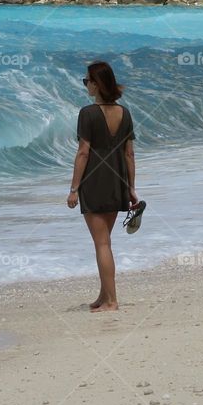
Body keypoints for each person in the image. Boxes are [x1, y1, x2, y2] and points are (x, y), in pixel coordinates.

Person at [66, 61, 138, 312]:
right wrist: (131, 188)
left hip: (94, 183)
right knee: (105, 241)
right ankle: (103, 295)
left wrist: (74, 189)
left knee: (101, 244)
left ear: (97, 84)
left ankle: (111, 300)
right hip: (117, 181)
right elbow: (129, 155)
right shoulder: (124, 113)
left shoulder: (87, 113)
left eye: (87, 81)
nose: (86, 85)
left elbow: (83, 153)